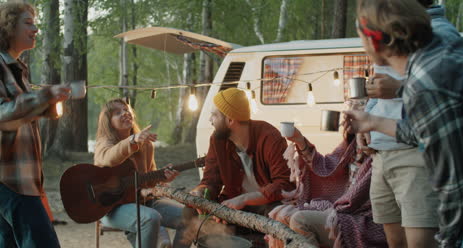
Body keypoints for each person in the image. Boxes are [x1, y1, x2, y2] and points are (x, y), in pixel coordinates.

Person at [344, 0, 463, 248]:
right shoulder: (427, 62)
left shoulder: (426, 84)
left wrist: (447, 242)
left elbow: (456, 187)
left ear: (375, 43)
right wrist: (372, 122)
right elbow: (426, 130)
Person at [267, 99, 387, 248]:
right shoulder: (351, 145)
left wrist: (332, 209)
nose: (345, 123)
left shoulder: (381, 150)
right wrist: (299, 140)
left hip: (366, 219)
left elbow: (356, 200)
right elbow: (327, 167)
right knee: (281, 215)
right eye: (347, 119)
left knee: (300, 219)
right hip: (343, 208)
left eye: (352, 118)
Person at [0, 0, 71, 247]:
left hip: (23, 179)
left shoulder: (18, 68)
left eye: (35, 23)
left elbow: (20, 115)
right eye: (28, 23)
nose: (36, 29)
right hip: (10, 179)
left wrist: (51, 105)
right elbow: (2, 115)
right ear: (8, 28)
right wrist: (45, 96)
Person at [186, 88, 294, 225]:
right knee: (190, 211)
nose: (210, 120)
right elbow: (211, 180)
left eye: (214, 115)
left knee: (277, 215)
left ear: (230, 120)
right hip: (232, 202)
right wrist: (200, 192)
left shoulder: (270, 137)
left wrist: (245, 199)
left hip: (267, 204)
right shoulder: (217, 140)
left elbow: (284, 185)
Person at [94, 98, 190, 248]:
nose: (125, 113)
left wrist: (162, 177)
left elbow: (147, 180)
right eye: (117, 112)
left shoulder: (146, 146)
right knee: (150, 218)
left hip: (143, 202)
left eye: (126, 110)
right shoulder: (104, 143)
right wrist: (132, 141)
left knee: (189, 217)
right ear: (109, 122)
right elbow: (108, 159)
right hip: (112, 208)